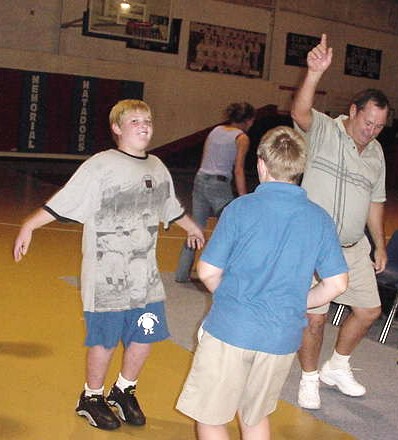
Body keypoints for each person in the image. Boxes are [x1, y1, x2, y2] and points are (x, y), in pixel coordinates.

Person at [13, 99, 205, 431]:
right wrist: (29, 225)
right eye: (135, 121)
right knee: (104, 340)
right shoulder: (101, 165)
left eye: (148, 120)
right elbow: (66, 199)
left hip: (144, 277)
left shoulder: (157, 166)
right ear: (117, 128)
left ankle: (123, 390)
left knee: (145, 334)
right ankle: (91, 397)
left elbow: (168, 206)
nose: (144, 126)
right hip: (107, 278)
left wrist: (192, 227)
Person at [176, 126, 349, 439]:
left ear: (261, 164)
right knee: (255, 416)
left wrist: (233, 297)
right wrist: (297, 302)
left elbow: (208, 271)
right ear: (300, 168)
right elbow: (337, 283)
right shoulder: (319, 219)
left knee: (211, 417)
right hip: (281, 338)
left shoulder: (240, 209)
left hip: (231, 328)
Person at [291, 33, 390, 410]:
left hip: (352, 248)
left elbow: (375, 202)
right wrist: (314, 73)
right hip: (313, 247)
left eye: (379, 126)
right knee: (314, 319)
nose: (371, 131)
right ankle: (309, 378)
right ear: (353, 111)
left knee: (369, 310)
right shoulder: (324, 132)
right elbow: (299, 113)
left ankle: (337, 366)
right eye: (368, 122)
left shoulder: (376, 154)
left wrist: (380, 244)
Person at [175, 101, 256, 283]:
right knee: (230, 228)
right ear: (249, 120)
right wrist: (244, 198)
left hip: (201, 179)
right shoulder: (241, 138)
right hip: (219, 185)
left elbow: (205, 159)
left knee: (195, 228)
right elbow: (238, 170)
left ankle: (181, 273)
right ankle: (223, 273)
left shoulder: (216, 130)